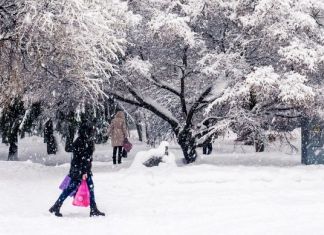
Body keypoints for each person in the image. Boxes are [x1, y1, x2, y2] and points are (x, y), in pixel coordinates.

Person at [49, 123, 105, 217]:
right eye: (90, 131)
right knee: (71, 188)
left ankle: (93, 209)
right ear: (85, 132)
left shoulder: (85, 141)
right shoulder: (81, 142)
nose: (92, 133)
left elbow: (85, 159)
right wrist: (83, 172)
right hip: (80, 171)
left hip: (81, 170)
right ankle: (56, 206)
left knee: (88, 187)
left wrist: (85, 171)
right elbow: (81, 159)